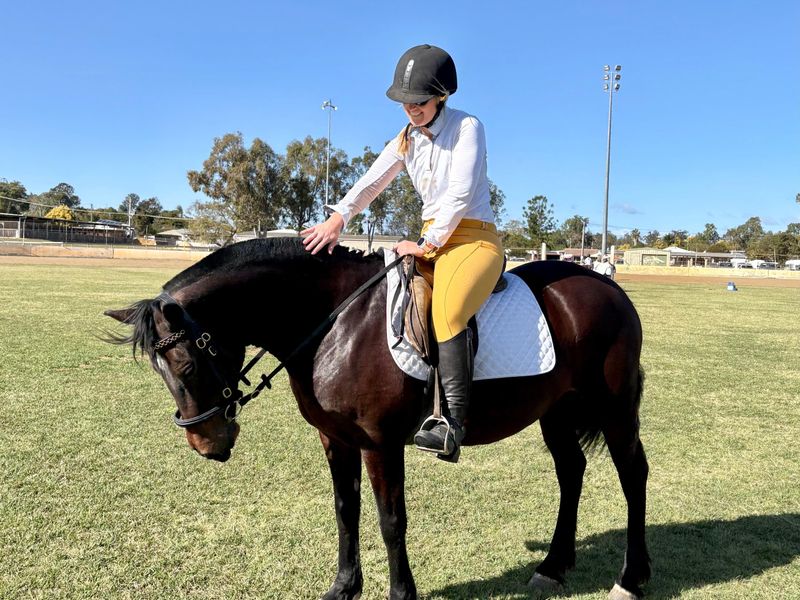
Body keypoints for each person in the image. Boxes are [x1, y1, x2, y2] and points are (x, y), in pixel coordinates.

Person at [301, 44, 504, 462]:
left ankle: (452, 422)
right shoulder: (406, 139)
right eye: (405, 102)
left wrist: (428, 244)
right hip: (432, 240)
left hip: (472, 240)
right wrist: (338, 219)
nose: (411, 109)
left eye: (420, 101)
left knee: (447, 311)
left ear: (441, 96)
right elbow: (372, 181)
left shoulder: (467, 127)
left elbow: (461, 194)